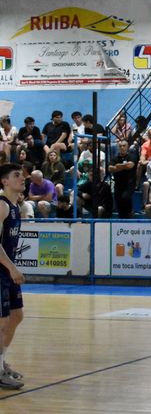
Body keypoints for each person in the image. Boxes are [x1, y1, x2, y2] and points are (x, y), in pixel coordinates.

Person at [0, 163, 26, 389]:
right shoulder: (2, 206)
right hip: (1, 271)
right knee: (2, 320)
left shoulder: (16, 206)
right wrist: (12, 268)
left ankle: (1, 362)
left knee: (16, 316)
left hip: (7, 270)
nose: (22, 178)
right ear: (4, 182)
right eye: (16, 175)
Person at [108, 141, 137, 218]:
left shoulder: (132, 156)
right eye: (120, 146)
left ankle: (130, 212)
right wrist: (124, 166)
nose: (122, 147)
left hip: (129, 183)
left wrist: (117, 166)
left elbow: (130, 165)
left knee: (125, 197)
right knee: (118, 203)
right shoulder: (115, 158)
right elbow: (110, 169)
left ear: (127, 147)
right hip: (118, 184)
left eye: (124, 146)